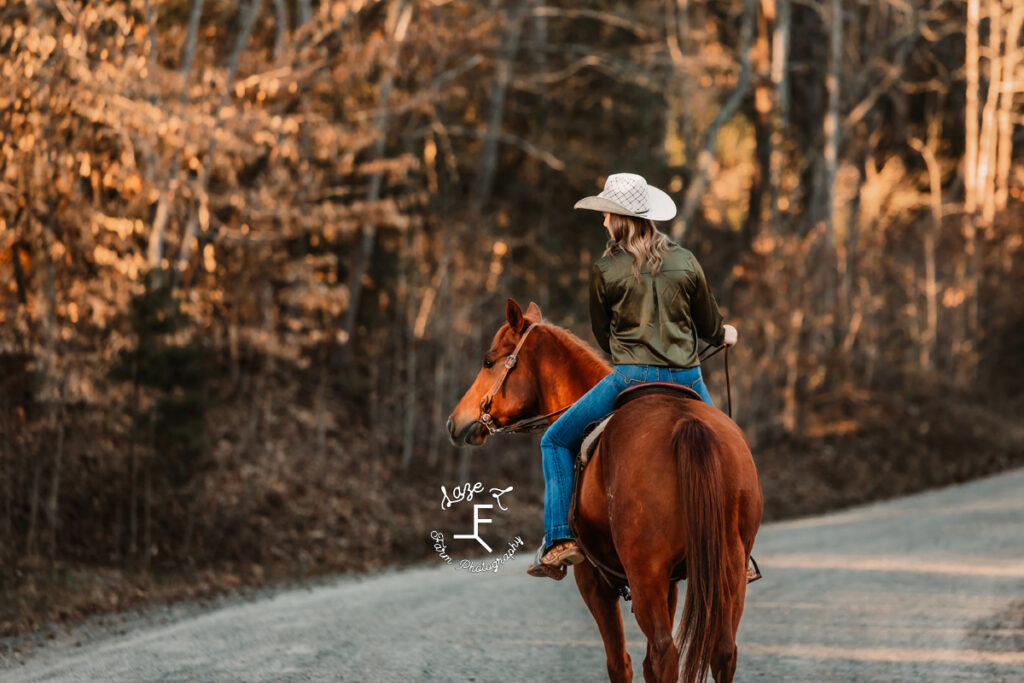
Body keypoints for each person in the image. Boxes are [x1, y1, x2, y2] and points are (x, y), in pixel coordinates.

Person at [527, 172, 738, 580]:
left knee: (554, 440)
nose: (603, 221)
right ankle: (735, 550)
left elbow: (603, 336)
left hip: (630, 377)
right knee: (728, 451)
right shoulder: (686, 260)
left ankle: (557, 541)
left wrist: (633, 350)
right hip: (690, 379)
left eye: (606, 214)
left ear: (618, 219)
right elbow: (711, 326)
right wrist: (725, 334)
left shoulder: (605, 270)